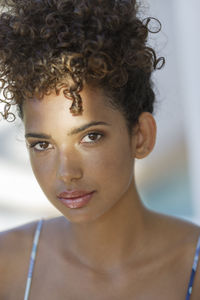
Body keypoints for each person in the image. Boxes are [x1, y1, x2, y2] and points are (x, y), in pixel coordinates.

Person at [0, 0, 199, 299]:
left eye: (90, 137)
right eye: (42, 144)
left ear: (141, 136)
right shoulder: (7, 266)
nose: (66, 173)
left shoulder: (192, 269)